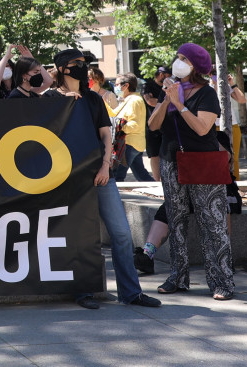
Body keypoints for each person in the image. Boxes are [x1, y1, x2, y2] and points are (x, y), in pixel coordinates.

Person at [51, 49, 160, 310]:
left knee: (122, 233)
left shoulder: (93, 99)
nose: (82, 68)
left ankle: (131, 292)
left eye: (84, 64)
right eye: (77, 63)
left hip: (100, 175)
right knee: (80, 236)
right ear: (63, 68)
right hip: (68, 178)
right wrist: (63, 102)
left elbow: (106, 135)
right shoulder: (50, 99)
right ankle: (83, 291)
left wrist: (104, 166)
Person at [147, 43, 234, 300]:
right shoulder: (173, 91)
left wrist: (180, 105)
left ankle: (222, 282)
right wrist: (167, 100)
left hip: (202, 163)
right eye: (178, 57)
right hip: (171, 161)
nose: (178, 61)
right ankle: (178, 276)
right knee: (175, 221)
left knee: (213, 224)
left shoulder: (205, 94)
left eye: (184, 58)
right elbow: (153, 126)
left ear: (195, 65)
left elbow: (202, 128)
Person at [110, 75, 153, 182]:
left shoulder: (134, 101)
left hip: (129, 143)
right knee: (141, 175)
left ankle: (116, 198)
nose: (115, 87)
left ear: (126, 85)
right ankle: (163, 194)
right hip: (132, 143)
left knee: (117, 175)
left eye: (117, 84)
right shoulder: (128, 100)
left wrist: (120, 127)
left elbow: (134, 124)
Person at [142, 66, 171, 180]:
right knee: (154, 154)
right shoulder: (147, 86)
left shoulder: (169, 86)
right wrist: (167, 102)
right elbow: (150, 101)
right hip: (152, 125)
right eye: (167, 75)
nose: (168, 78)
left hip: (167, 124)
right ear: (160, 74)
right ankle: (157, 180)